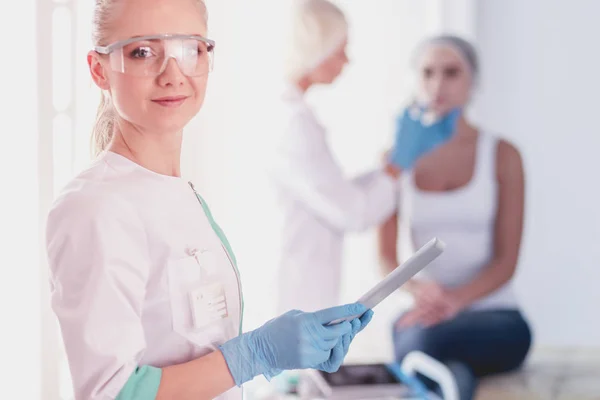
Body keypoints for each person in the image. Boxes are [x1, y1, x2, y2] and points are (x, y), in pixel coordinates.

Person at [45, 1, 374, 399]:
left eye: (189, 49)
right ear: (99, 69)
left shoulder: (181, 196)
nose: (172, 75)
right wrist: (256, 354)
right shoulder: (96, 208)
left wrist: (282, 352)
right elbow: (113, 394)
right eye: (142, 52)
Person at [378, 35, 532, 399]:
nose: (437, 84)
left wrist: (456, 301)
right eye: (427, 73)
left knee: (423, 341)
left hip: (496, 318)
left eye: (451, 73)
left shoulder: (503, 154)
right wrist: (420, 291)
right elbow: (385, 257)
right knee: (428, 348)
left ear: (472, 82)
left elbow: (506, 261)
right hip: (427, 313)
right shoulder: (396, 160)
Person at [267, 0, 413, 315]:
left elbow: (334, 191)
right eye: (340, 49)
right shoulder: (294, 125)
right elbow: (352, 213)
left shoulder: (293, 116)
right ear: (317, 47)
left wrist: (384, 172)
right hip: (293, 295)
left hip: (303, 290)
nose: (346, 60)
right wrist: (395, 169)